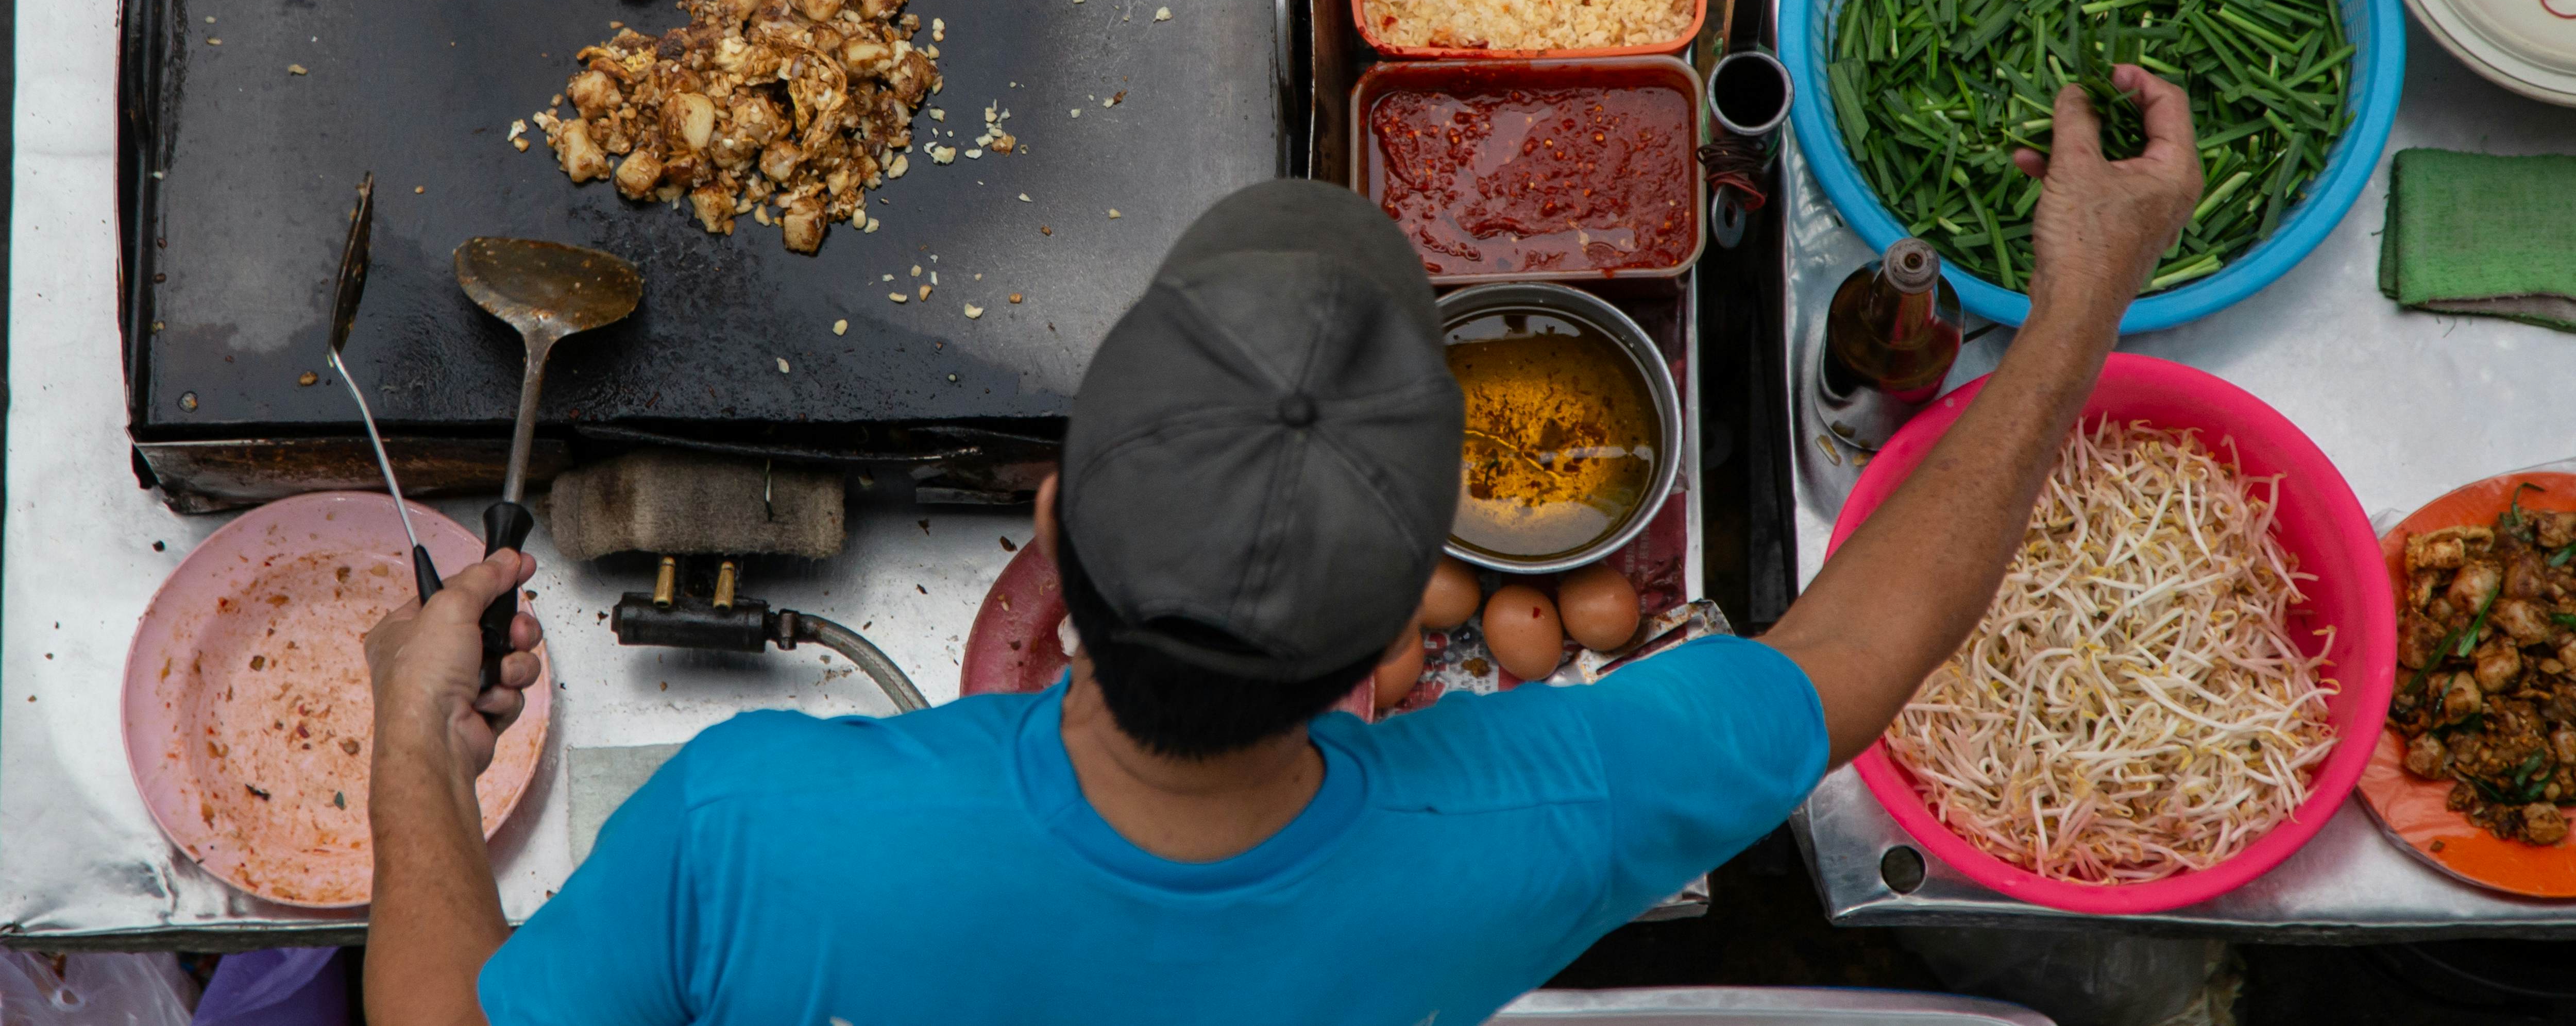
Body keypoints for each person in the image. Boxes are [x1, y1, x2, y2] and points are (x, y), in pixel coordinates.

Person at [363, 66, 2200, 1026]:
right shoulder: (1510, 827)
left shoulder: (756, 827)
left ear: (1057, 525)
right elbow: (1873, 639)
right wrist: (2072, 314)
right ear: (1401, 652)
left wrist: (411, 760)